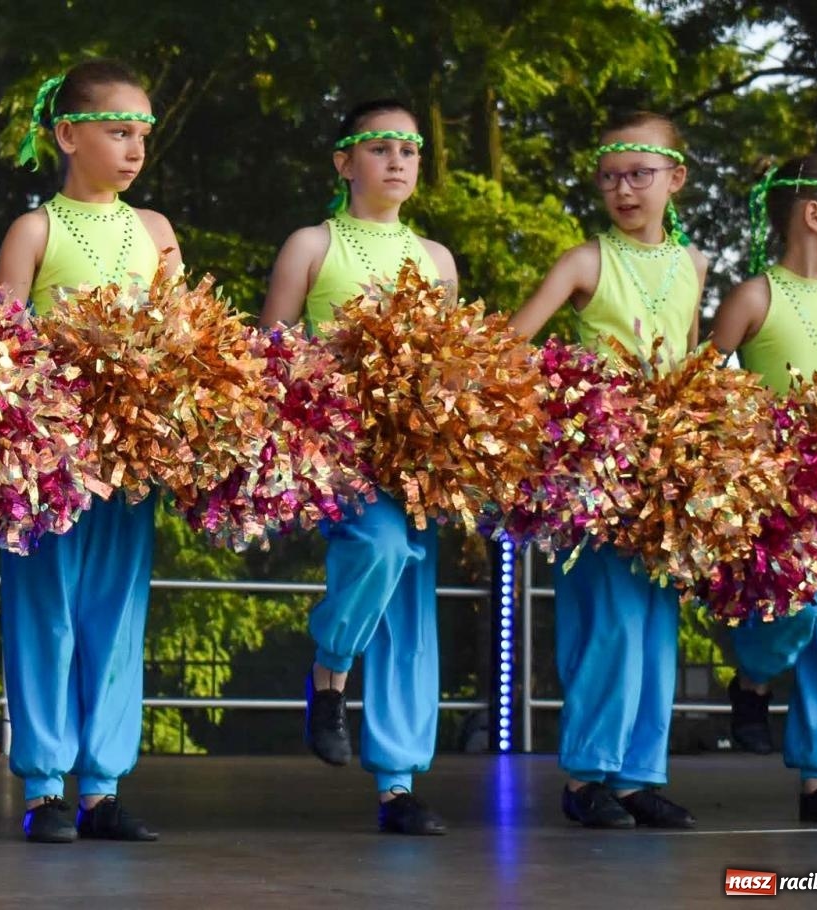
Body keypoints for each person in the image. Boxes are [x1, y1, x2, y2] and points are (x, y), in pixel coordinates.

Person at [0, 59, 181, 844]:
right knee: (44, 614)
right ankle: (43, 787)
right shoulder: (35, 229)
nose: (134, 149)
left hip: (129, 466)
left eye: (142, 134)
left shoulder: (156, 232)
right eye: (117, 131)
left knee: (117, 617)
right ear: (68, 135)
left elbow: (183, 341)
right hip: (50, 466)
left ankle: (101, 789)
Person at [259, 98, 457, 836]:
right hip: (337, 451)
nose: (398, 160)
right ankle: (331, 667)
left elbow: (451, 362)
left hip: (415, 457)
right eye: (380, 147)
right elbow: (270, 352)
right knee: (379, 548)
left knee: (410, 612)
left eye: (410, 149)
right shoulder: (311, 244)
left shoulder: (437, 259)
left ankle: (399, 787)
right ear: (344, 161)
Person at [509, 110, 707, 830]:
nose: (624, 189)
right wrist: (571, 408)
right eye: (610, 177)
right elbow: (510, 346)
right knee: (610, 620)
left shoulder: (695, 265)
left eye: (640, 174)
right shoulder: (584, 262)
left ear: (675, 179)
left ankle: (637, 777)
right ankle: (586, 774)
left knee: (656, 624)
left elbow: (690, 361)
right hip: (596, 473)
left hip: (665, 473)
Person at [710, 154, 817, 824]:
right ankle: (752, 677)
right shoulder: (753, 298)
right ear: (813, 214)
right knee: (793, 614)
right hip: (774, 503)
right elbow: (701, 393)